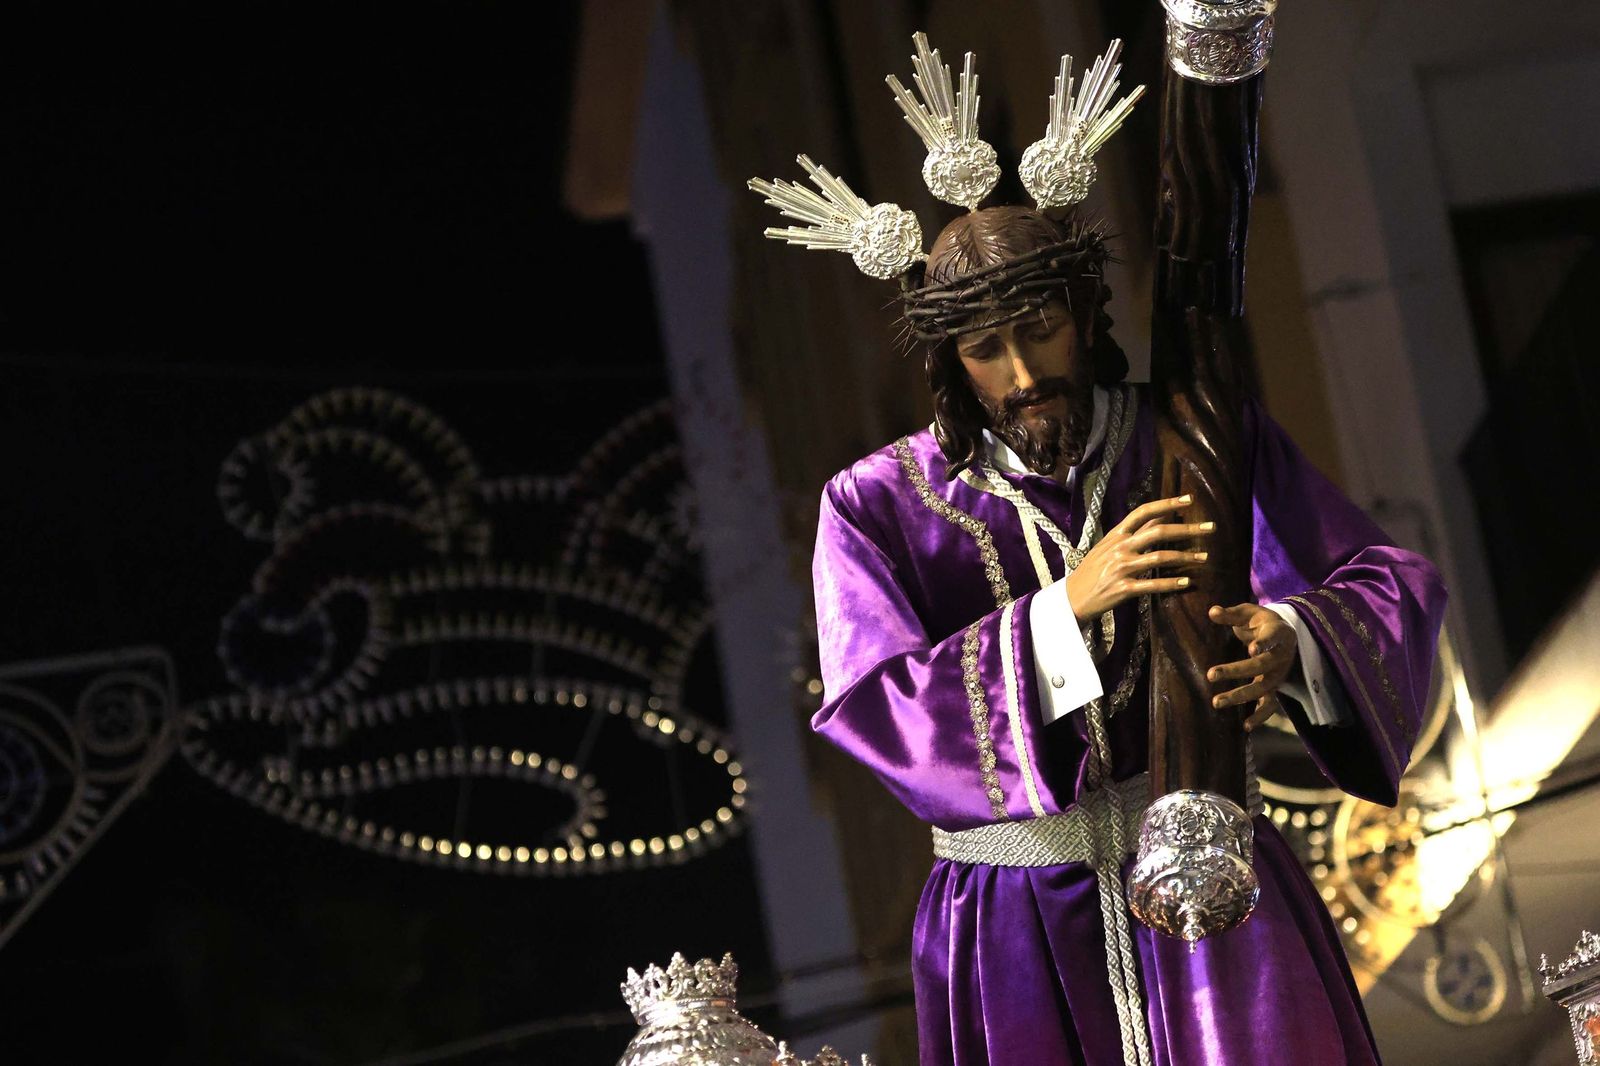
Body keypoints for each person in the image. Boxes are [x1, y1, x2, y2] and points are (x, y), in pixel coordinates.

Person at [754, 24, 1447, 1066]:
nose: (1024, 373)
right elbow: (873, 710)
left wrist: (1294, 639)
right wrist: (1059, 613)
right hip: (1014, 920)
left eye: (1041, 329)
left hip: (1213, 867)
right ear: (950, 363)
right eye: (986, 351)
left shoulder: (1191, 434)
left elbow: (1389, 581)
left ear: (1083, 312)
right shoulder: (874, 506)